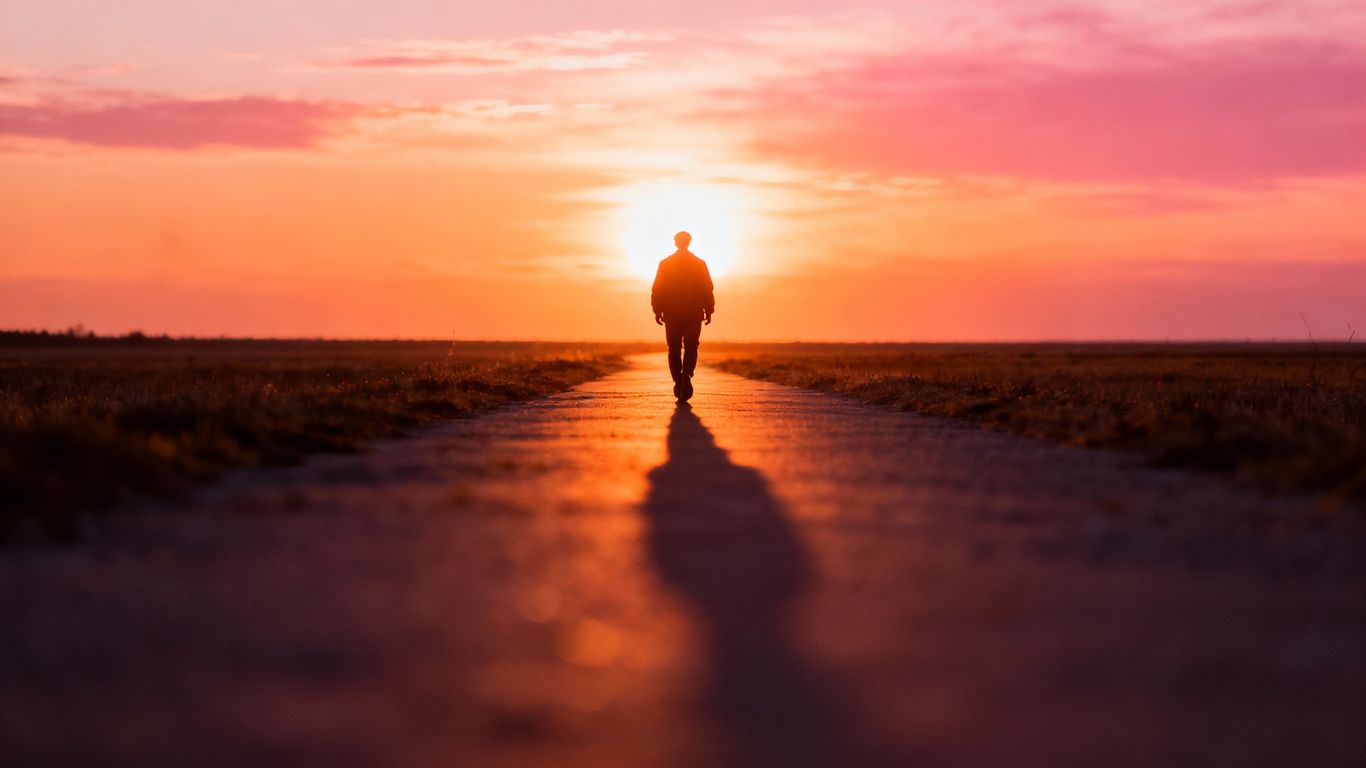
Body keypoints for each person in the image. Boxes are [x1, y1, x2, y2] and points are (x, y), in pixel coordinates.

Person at [651, 231, 715, 402]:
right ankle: (686, 374)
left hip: (671, 313)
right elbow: (707, 289)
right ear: (689, 243)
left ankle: (678, 381)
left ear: (675, 243)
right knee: (692, 346)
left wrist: (657, 310)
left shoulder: (665, 264)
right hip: (694, 312)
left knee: (673, 348)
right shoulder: (699, 264)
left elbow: (657, 289)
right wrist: (709, 310)